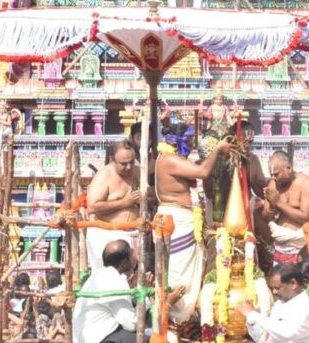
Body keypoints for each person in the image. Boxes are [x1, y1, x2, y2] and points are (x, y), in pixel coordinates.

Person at [154, 133, 230, 324]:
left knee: (187, 270)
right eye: (188, 142)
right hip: (177, 221)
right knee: (179, 273)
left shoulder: (171, 158)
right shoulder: (168, 159)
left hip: (182, 219)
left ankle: (184, 321)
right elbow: (203, 171)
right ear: (174, 141)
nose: (191, 145)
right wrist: (218, 149)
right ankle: (174, 320)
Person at [85, 140, 141, 271]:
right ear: (112, 160)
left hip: (131, 234)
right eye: (123, 164)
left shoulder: (137, 172)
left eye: (131, 162)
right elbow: (92, 207)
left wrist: (143, 198)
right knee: (106, 276)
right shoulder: (104, 175)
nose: (128, 167)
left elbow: (151, 195)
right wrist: (125, 202)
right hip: (105, 235)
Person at [72, 240, 137, 343]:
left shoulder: (98, 275)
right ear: (125, 261)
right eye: (132, 253)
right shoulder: (115, 280)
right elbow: (132, 324)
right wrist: (145, 297)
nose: (135, 257)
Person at [236, 263, 309, 342]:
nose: (274, 292)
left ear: (293, 284)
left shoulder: (306, 308)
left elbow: (286, 333)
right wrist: (251, 321)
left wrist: (253, 314)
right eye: (272, 288)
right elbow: (265, 338)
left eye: (277, 288)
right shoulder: (280, 304)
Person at [258, 151, 309, 265]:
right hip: (281, 244)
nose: (273, 178)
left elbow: (305, 217)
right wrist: (272, 206)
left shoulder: (305, 182)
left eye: (276, 174)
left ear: (289, 168)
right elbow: (266, 217)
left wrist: (278, 203)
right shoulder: (273, 184)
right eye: (271, 174)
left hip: (301, 246)